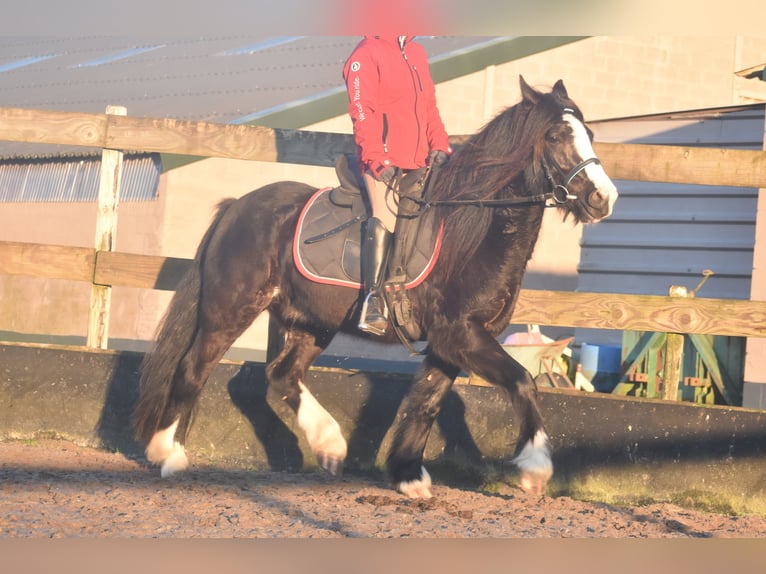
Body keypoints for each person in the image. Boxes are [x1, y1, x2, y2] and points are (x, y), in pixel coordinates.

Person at [343, 35, 452, 335]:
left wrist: (440, 144)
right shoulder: (366, 54)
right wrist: (377, 159)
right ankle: (374, 300)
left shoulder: (416, 52)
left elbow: (429, 107)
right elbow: (362, 110)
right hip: (382, 162)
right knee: (385, 218)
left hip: (419, 161)